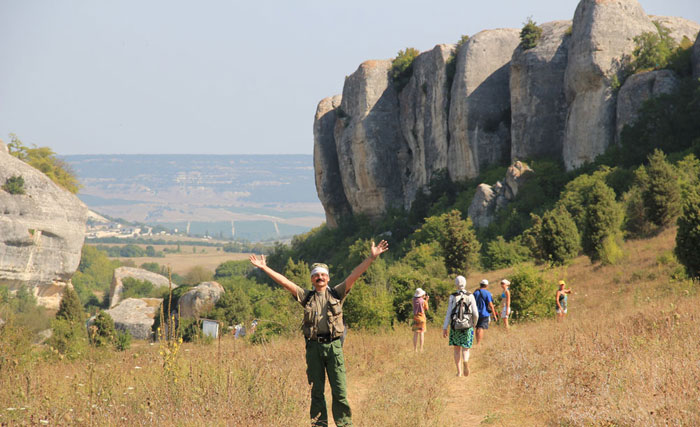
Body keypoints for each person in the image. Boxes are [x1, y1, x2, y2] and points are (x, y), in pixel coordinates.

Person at [249, 240, 388, 427]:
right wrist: (265, 268)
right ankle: (319, 424)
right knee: (316, 392)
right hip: (313, 347)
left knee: (339, 390)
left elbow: (355, 275)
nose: (320, 278)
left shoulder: (337, 293)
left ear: (328, 278)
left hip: (334, 347)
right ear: (312, 279)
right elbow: (285, 282)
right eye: (316, 276)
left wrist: (371, 258)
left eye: (323, 275)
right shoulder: (306, 297)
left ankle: (345, 424)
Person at [442, 276, 479, 377]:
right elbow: (475, 313)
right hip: (468, 325)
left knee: (456, 349)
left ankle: (459, 372)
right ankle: (465, 361)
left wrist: (445, 327)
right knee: (466, 348)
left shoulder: (452, 296)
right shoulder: (470, 296)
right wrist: (474, 323)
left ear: (456, 284)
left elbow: (449, 313)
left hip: (455, 326)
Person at [473, 279, 497, 345]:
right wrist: (494, 315)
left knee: (477, 327)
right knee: (481, 328)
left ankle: (477, 342)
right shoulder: (487, 293)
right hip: (484, 313)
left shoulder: (475, 293)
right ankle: (479, 343)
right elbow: (491, 305)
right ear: (486, 285)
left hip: (475, 313)